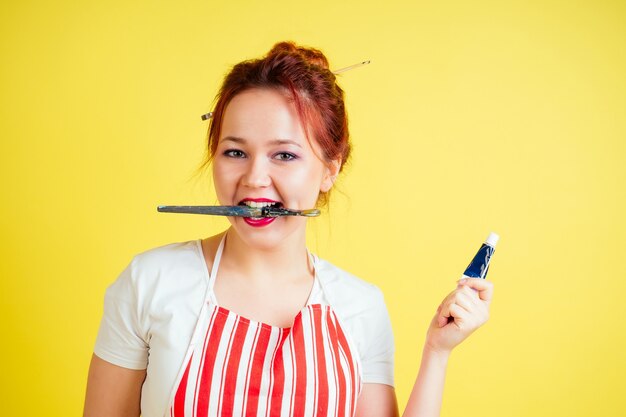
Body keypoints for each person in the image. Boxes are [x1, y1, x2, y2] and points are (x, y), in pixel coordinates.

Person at [83, 41, 494, 417]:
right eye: (235, 152)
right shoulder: (149, 282)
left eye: (284, 154)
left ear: (328, 171)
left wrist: (437, 352)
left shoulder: (361, 307)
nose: (254, 177)